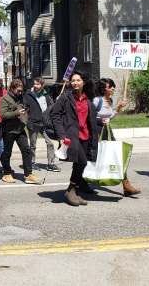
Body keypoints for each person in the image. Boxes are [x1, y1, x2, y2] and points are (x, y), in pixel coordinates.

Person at [51, 70, 97, 206]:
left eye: (78, 80)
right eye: (73, 80)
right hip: (72, 135)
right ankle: (71, 190)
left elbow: (90, 117)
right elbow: (55, 116)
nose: (75, 83)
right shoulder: (66, 97)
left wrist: (101, 121)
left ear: (84, 82)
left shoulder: (88, 97)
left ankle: (75, 191)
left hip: (85, 135)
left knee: (80, 164)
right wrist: (61, 136)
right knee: (82, 162)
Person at [92, 78, 140, 197]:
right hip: (96, 132)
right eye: (110, 86)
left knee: (117, 157)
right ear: (103, 88)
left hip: (107, 131)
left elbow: (110, 117)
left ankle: (126, 185)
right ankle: (80, 182)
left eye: (113, 86)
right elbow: (89, 116)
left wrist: (118, 107)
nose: (113, 88)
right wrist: (99, 121)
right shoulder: (97, 101)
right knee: (94, 159)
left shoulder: (110, 100)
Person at [0, 78, 44, 184]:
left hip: (20, 129)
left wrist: (26, 120)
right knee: (7, 153)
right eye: (18, 90)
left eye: (21, 90)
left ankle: (28, 175)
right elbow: (3, 114)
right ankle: (6, 173)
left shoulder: (22, 98)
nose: (20, 92)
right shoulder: (5, 99)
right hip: (9, 130)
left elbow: (25, 111)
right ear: (12, 88)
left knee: (26, 151)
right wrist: (17, 113)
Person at [23, 77, 59, 172]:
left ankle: (51, 164)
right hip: (33, 123)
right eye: (34, 84)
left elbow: (51, 107)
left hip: (44, 123)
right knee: (33, 145)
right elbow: (25, 110)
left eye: (37, 84)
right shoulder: (28, 94)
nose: (35, 86)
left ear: (42, 85)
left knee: (50, 143)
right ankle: (32, 162)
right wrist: (28, 123)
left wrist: (57, 101)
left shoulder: (45, 95)